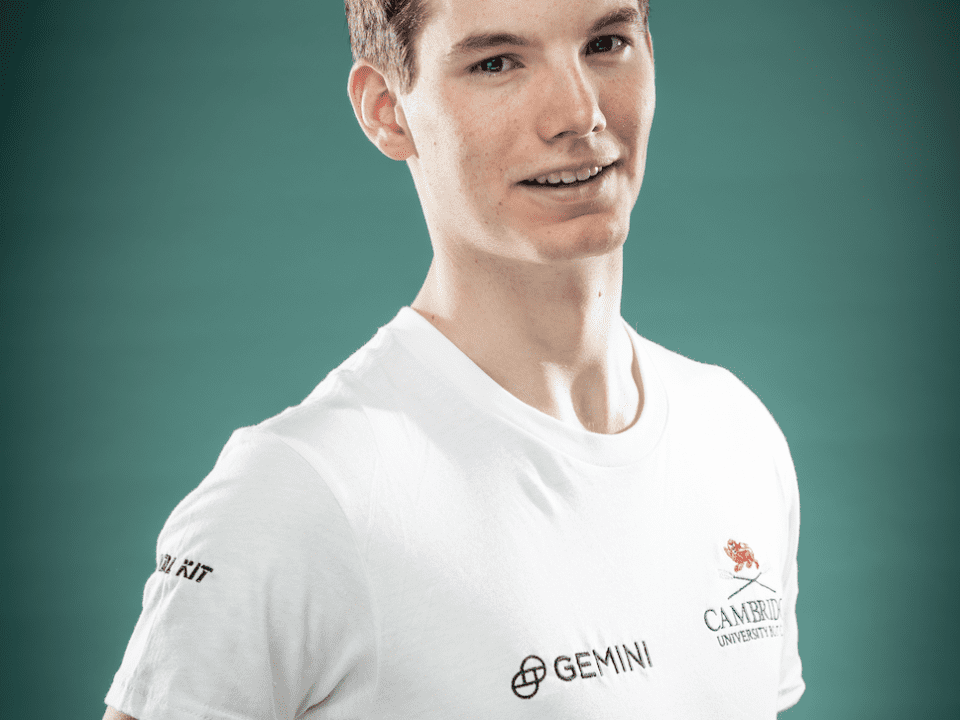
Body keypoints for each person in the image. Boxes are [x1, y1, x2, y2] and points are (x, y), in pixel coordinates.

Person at [103, 0, 804, 717]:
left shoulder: (736, 436)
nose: (579, 113)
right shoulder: (300, 494)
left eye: (605, 43)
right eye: (497, 63)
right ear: (387, 111)